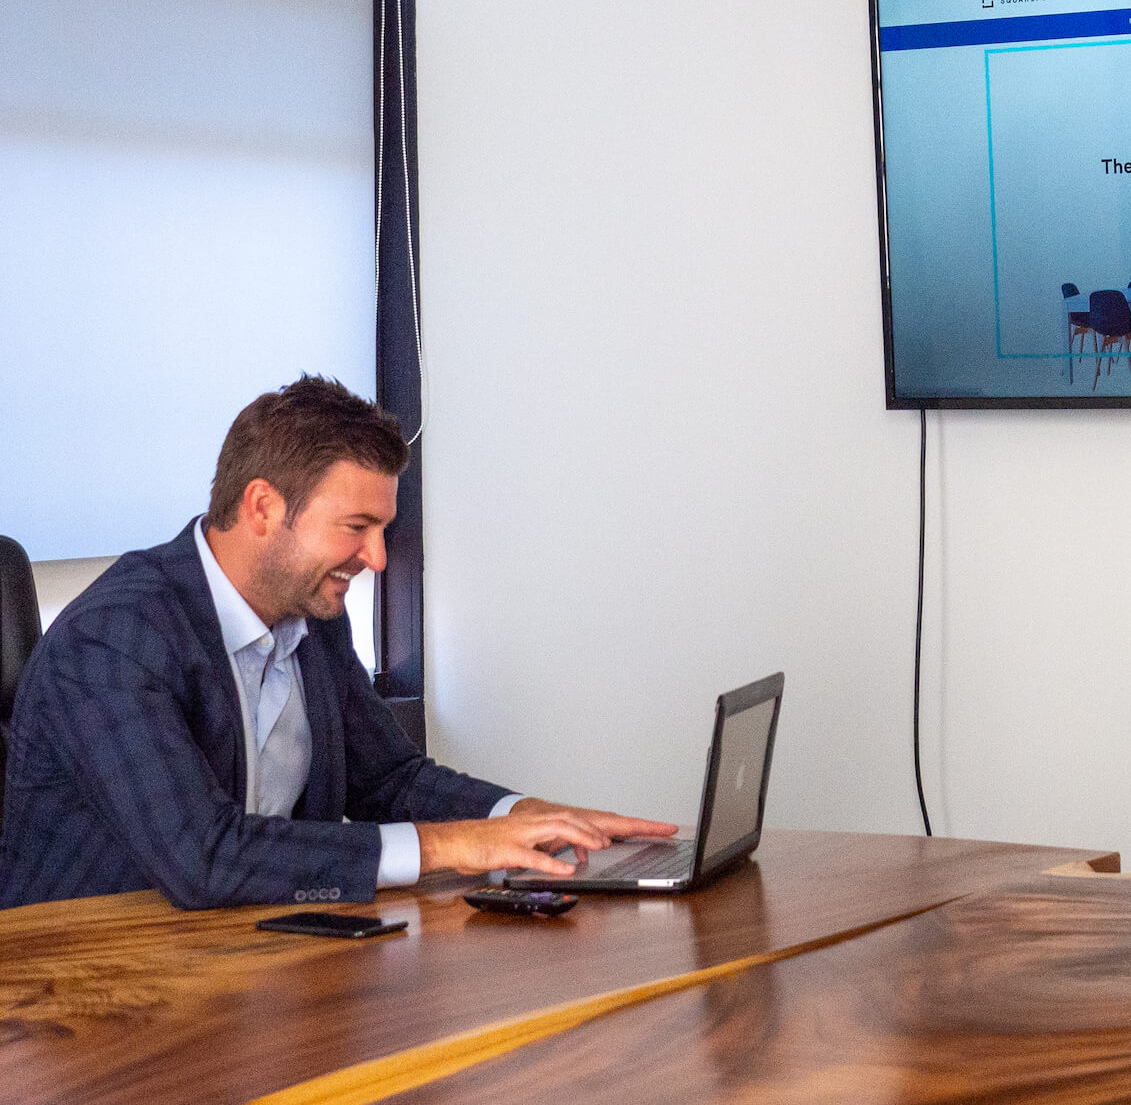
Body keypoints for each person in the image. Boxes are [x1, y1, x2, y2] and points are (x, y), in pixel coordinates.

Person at [0, 376, 675, 909]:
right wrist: (451, 845)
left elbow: (388, 777)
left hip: (249, 961)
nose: (377, 558)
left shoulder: (314, 615)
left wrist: (526, 816)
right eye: (357, 526)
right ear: (263, 507)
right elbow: (204, 858)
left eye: (383, 528)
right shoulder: (113, 639)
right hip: (83, 995)